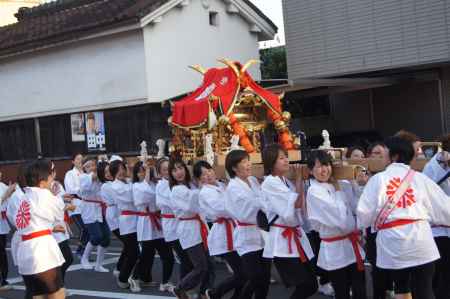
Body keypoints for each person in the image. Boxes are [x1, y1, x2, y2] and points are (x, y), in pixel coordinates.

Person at [357, 136, 450, 299]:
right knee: (424, 290)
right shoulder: (421, 179)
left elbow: (364, 215)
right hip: (421, 242)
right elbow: (444, 209)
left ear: (394, 156)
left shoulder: (378, 180)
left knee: (401, 288)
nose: (383, 158)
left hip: (393, 246)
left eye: (385, 153)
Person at [306, 150, 366, 299]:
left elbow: (356, 205)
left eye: (326, 165)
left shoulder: (338, 184)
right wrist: (339, 191)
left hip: (351, 244)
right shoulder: (314, 191)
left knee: (360, 289)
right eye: (318, 166)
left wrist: (351, 180)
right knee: (342, 290)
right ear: (311, 170)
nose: (323, 170)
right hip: (334, 247)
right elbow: (339, 219)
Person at [261, 145, 317, 299]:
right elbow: (297, 204)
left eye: (286, 156)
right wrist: (299, 177)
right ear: (271, 162)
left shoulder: (285, 180)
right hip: (283, 241)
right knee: (306, 285)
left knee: (312, 284)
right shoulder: (270, 183)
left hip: (296, 237)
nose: (286, 160)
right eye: (281, 158)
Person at [194, 160, 246, 299]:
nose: (208, 175)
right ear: (200, 179)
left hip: (235, 229)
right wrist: (237, 203)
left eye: (209, 170)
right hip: (224, 233)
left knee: (242, 274)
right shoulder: (205, 192)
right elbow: (221, 208)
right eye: (203, 174)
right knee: (242, 274)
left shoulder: (222, 185)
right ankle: (214, 293)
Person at [17, 159, 66, 299]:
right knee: (57, 294)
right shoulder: (44, 194)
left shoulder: (24, 197)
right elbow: (58, 214)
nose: (52, 179)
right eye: (51, 176)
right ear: (42, 180)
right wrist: (54, 194)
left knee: (36, 295)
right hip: (42, 252)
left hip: (26, 249)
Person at [225, 150, 271, 299]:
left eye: (248, 160)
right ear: (234, 168)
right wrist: (263, 202)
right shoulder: (233, 187)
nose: (248, 164)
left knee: (264, 280)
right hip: (246, 236)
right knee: (255, 278)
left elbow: (263, 200)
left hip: (262, 234)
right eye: (244, 162)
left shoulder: (252, 180)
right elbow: (250, 207)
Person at [169, 158, 211, 299]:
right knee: (201, 266)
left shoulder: (190, 185)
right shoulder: (176, 190)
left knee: (208, 266)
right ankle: (180, 287)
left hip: (199, 227)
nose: (178, 172)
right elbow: (191, 207)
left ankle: (203, 293)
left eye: (180, 168)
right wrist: (201, 187)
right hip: (189, 229)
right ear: (171, 175)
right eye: (174, 170)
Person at [132, 161, 175, 291]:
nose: (144, 173)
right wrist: (147, 177)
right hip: (146, 222)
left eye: (146, 170)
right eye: (141, 171)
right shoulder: (136, 186)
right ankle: (134, 278)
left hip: (158, 221)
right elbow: (144, 197)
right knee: (146, 255)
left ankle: (165, 281)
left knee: (168, 256)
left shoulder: (158, 184)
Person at [155, 157, 193, 287]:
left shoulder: (178, 183)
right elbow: (163, 204)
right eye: (164, 170)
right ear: (159, 173)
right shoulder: (161, 186)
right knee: (185, 259)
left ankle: (185, 287)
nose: (167, 172)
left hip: (183, 223)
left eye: (169, 169)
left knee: (188, 259)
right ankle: (183, 288)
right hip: (172, 225)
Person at [422, 133, 450, 299]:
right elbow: (429, 192)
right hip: (439, 230)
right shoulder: (433, 166)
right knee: (443, 274)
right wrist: (444, 166)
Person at [110, 159, 141, 292]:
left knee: (131, 250)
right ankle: (123, 278)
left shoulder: (128, 182)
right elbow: (132, 197)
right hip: (127, 220)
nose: (121, 172)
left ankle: (132, 275)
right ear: (113, 173)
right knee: (133, 252)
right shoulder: (115, 186)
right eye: (117, 170)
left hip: (136, 218)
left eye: (122, 168)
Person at [79, 158, 110, 272]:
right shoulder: (83, 177)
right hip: (89, 210)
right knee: (96, 236)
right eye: (88, 166)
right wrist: (100, 171)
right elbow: (91, 179)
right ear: (84, 168)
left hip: (101, 209)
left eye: (93, 165)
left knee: (106, 238)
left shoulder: (100, 177)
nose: (92, 168)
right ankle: (84, 258)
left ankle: (98, 265)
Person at [98, 161, 123, 277]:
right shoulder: (106, 186)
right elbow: (118, 198)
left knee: (128, 244)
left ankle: (121, 267)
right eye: (105, 172)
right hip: (113, 215)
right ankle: (119, 268)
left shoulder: (116, 183)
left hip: (120, 214)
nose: (108, 174)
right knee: (128, 243)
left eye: (109, 171)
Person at [49, 173, 75, 284]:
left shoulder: (55, 184)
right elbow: (48, 207)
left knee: (65, 259)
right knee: (65, 258)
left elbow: (60, 199)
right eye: (51, 171)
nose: (54, 173)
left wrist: (64, 198)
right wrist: (65, 207)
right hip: (52, 229)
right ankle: (57, 285)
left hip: (60, 226)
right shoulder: (41, 189)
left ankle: (59, 284)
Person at [64, 153, 88, 257]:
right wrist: (81, 190)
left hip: (86, 205)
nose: (80, 161)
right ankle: (80, 250)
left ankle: (83, 251)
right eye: (78, 159)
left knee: (88, 228)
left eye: (82, 159)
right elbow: (70, 189)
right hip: (75, 205)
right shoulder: (70, 174)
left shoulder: (86, 173)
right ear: (73, 161)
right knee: (84, 228)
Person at [0, 171, 12, 290]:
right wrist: (5, 196)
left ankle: (4, 279)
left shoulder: (3, 186)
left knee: (2, 252)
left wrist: (10, 193)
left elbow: (9, 202)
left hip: (2, 223)